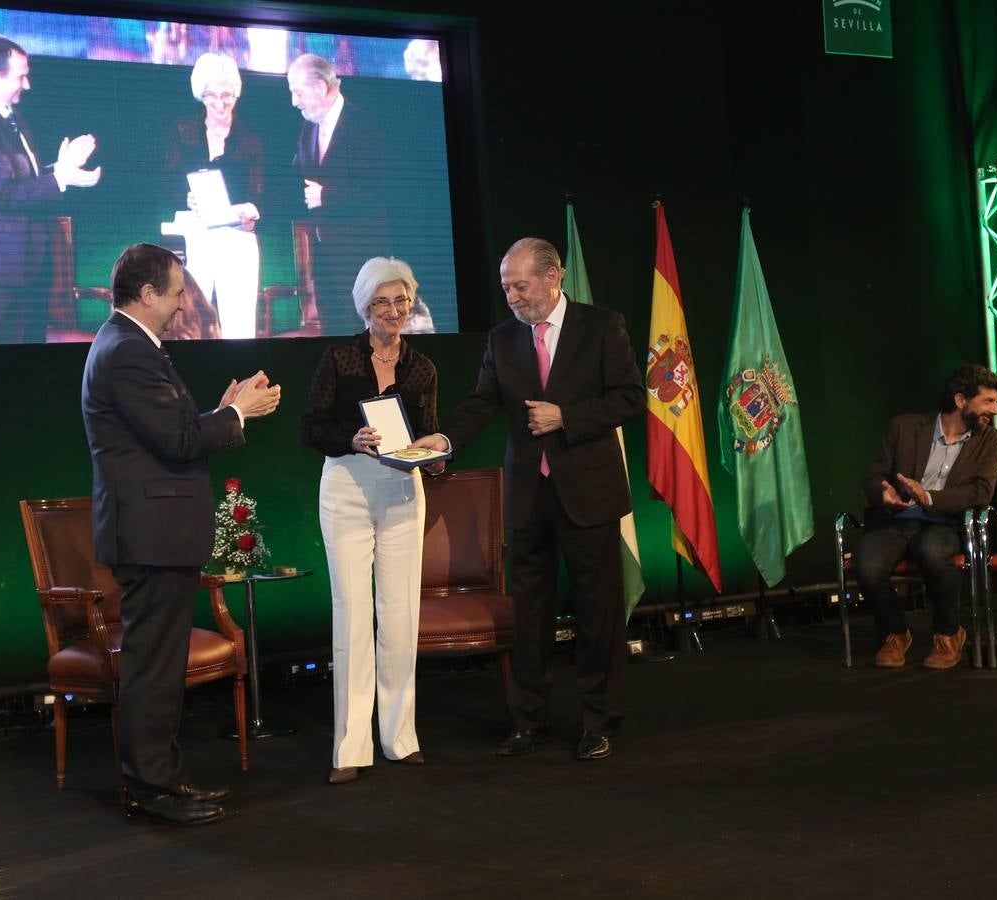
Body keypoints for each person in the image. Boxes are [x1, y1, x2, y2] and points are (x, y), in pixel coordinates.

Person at [412, 238, 643, 761]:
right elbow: (482, 403)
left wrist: (568, 417)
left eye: (520, 285)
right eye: (506, 288)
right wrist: (444, 440)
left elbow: (630, 396)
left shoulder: (602, 326)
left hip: (588, 492)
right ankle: (527, 721)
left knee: (597, 612)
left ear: (553, 277)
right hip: (527, 495)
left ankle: (599, 721)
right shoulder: (502, 338)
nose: (513, 298)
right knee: (530, 615)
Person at [81, 242, 281, 826]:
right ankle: (151, 787)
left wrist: (223, 413)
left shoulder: (129, 347)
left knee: (160, 666)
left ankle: (165, 780)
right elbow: (179, 443)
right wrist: (237, 414)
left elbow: (174, 432)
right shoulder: (126, 352)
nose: (181, 302)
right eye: (175, 292)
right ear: (146, 294)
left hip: (157, 533)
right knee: (152, 666)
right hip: (151, 536)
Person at [301, 257, 441, 784]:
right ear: (364, 307)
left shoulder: (423, 367)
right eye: (382, 302)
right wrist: (350, 439)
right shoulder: (338, 358)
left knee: (402, 614)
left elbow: (428, 430)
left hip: (404, 489)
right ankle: (351, 747)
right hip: (347, 487)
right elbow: (311, 426)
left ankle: (400, 738)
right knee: (353, 615)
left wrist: (436, 450)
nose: (393, 311)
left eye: (401, 301)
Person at [0, 34, 101, 345]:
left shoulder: (6, 114)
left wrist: (60, 169)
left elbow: (23, 181)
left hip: (26, 267)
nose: (27, 85)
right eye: (20, 76)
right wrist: (61, 179)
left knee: (27, 363)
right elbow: (4, 193)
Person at [855, 364, 997, 669]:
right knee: (867, 566)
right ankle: (895, 633)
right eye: (988, 401)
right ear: (961, 400)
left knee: (932, 550)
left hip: (945, 521)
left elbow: (980, 492)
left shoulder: (989, 439)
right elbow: (874, 476)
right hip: (897, 518)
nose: (996, 410)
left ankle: (948, 634)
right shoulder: (905, 427)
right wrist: (883, 492)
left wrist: (930, 497)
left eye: (996, 402)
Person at [164, 52, 264, 339]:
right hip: (195, 232)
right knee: (188, 318)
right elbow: (167, 182)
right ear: (200, 95)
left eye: (227, 96)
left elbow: (262, 194)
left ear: (237, 94)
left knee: (239, 325)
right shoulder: (182, 131)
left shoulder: (251, 139)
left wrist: (252, 211)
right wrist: (186, 198)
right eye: (211, 96)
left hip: (237, 236)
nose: (219, 104)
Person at [287, 53, 388, 337]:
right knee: (334, 337)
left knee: (364, 335)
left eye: (298, 92)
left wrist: (327, 196)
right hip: (325, 257)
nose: (295, 101)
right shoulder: (308, 128)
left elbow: (377, 190)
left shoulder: (363, 125)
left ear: (320, 87)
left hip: (360, 256)